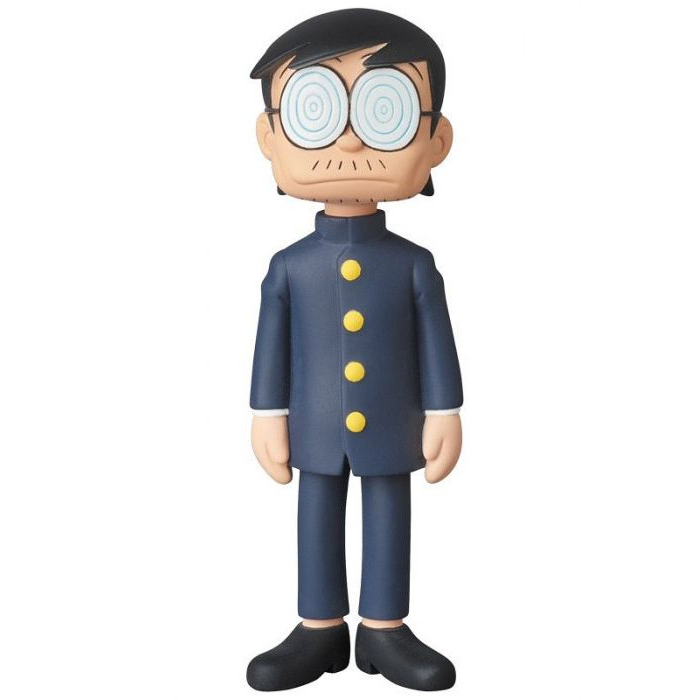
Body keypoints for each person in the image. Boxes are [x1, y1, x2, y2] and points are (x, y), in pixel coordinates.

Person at [246, 9, 463, 691]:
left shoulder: (415, 265)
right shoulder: (288, 266)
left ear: (436, 140)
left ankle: (383, 628)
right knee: (316, 510)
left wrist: (446, 410)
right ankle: (319, 627)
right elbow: (271, 345)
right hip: (312, 422)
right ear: (269, 137)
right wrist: (265, 414)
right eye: (313, 109)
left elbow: (436, 341)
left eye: (383, 109)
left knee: (389, 509)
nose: (347, 138)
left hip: (395, 420)